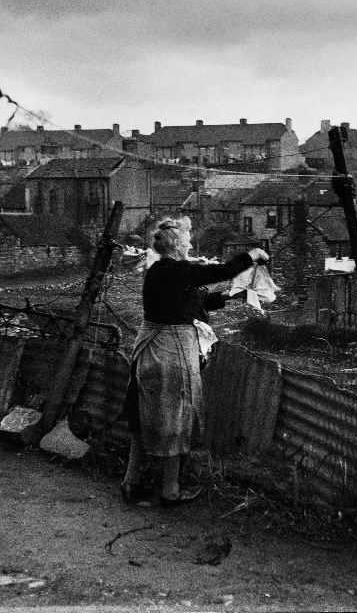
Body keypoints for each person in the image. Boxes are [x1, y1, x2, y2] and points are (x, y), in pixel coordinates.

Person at [121, 216, 269, 508]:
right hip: (170, 355)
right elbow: (223, 271)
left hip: (152, 352)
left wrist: (231, 296)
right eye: (187, 238)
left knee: (143, 419)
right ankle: (170, 491)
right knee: (176, 419)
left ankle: (131, 482)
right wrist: (251, 256)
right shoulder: (177, 270)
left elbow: (191, 302)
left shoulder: (162, 272)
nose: (191, 242)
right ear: (176, 245)